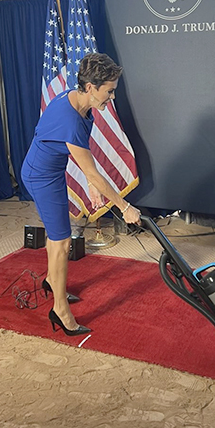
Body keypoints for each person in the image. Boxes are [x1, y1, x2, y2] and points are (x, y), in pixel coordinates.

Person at [21, 53, 141, 336]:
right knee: (62, 242)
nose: (111, 97)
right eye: (109, 91)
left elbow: (80, 155)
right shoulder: (71, 119)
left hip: (50, 172)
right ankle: (60, 310)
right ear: (90, 87)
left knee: (56, 235)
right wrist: (125, 207)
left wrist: (90, 183)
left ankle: (52, 280)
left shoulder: (80, 105)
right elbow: (94, 170)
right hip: (41, 177)